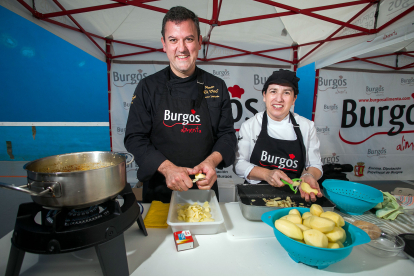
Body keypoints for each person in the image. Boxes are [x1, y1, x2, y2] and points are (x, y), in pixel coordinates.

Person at [124, 6, 237, 203]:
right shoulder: (148, 87)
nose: (182, 48)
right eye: (173, 40)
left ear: (200, 41)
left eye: (189, 39)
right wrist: (168, 168)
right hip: (159, 192)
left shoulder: (217, 86)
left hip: (204, 190)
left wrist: (211, 162)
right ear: (164, 44)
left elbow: (227, 135)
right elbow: (134, 137)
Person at [233, 69, 323, 202]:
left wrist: (309, 175)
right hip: (255, 195)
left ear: (294, 99)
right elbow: (238, 164)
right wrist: (266, 174)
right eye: (273, 91)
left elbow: (316, 164)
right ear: (264, 95)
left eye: (286, 93)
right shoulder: (251, 125)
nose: (279, 99)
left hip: (295, 197)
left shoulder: (306, 126)